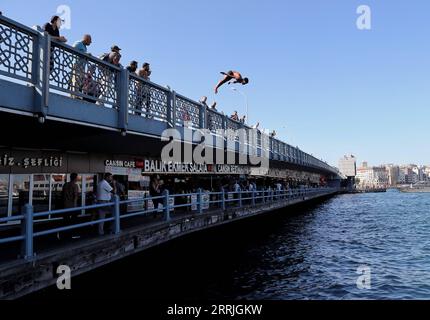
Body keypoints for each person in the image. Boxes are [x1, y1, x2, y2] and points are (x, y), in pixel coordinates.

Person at [58, 173, 80, 240]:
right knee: (73, 221)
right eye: (77, 177)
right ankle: (72, 235)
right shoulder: (75, 185)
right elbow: (75, 197)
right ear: (75, 178)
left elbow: (62, 195)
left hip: (65, 205)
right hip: (72, 206)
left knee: (65, 221)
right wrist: (75, 207)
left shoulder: (65, 184)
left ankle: (62, 234)